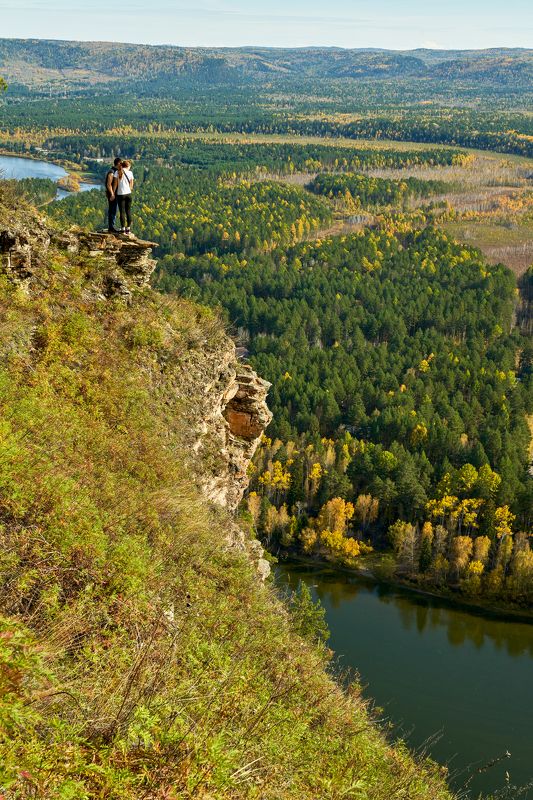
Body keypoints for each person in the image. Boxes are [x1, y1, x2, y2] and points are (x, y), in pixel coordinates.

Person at [114, 159, 134, 235]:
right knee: (128, 211)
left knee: (122, 212)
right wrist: (129, 190)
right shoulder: (130, 173)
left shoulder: (117, 172)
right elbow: (131, 184)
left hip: (120, 194)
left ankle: (122, 229)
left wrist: (113, 193)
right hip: (128, 194)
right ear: (128, 166)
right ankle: (128, 229)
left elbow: (115, 184)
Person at [105, 157, 122, 233]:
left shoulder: (115, 171)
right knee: (112, 210)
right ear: (118, 163)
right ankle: (111, 227)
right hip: (112, 194)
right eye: (121, 164)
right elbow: (108, 184)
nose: (121, 165)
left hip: (115, 194)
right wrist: (112, 194)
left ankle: (112, 227)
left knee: (114, 210)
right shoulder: (111, 172)